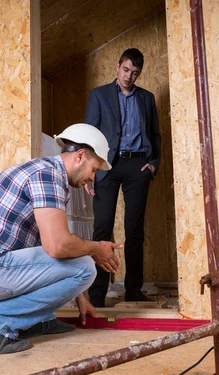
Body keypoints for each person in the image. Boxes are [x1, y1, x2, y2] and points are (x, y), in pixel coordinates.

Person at [0, 123, 122, 354]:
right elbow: (58, 247)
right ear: (80, 156)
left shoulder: (47, 174)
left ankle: (36, 320)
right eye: (94, 170)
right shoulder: (47, 176)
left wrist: (79, 298)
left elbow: (48, 252)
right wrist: (96, 248)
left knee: (79, 265)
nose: (91, 179)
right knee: (85, 267)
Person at [84, 48, 161, 307]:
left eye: (135, 73)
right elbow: (89, 136)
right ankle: (97, 294)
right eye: (126, 70)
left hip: (138, 166)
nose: (129, 76)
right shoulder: (99, 95)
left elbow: (156, 135)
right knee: (102, 228)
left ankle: (134, 290)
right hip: (107, 165)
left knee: (134, 230)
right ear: (117, 66)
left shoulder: (146, 98)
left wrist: (153, 164)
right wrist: (88, 172)